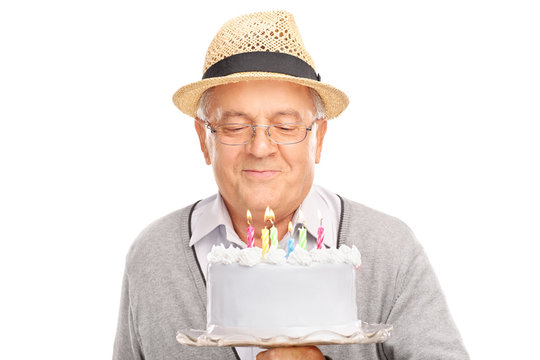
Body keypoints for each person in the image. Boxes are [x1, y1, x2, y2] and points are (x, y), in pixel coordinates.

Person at [113, 10, 469, 360]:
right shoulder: (153, 256)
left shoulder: (388, 250)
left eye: (286, 127)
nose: (261, 148)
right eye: (235, 127)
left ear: (320, 136)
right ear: (204, 138)